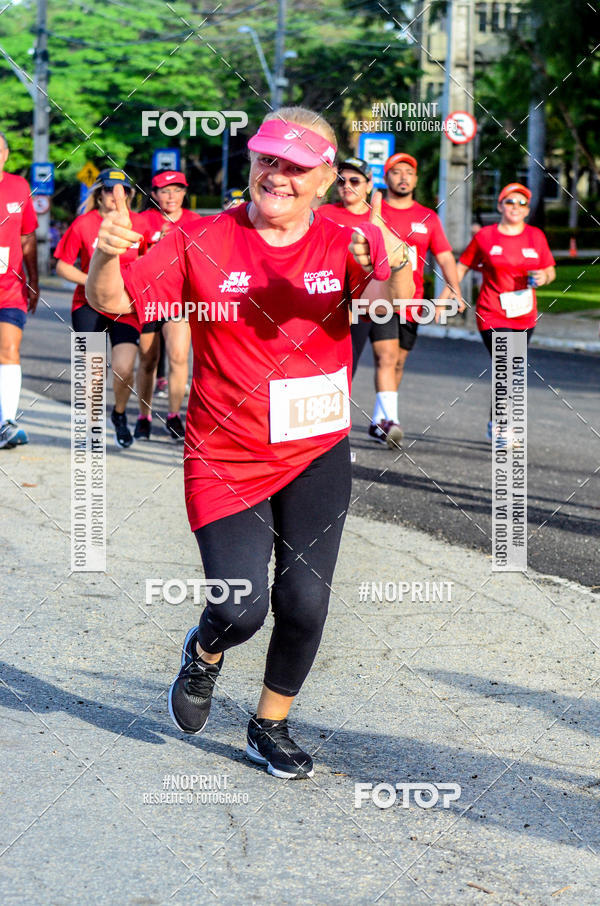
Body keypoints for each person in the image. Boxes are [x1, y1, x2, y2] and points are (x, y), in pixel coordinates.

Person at [86, 107, 413, 779]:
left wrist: (395, 259)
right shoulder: (202, 236)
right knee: (241, 606)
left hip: (316, 449)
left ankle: (270, 723)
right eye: (268, 160)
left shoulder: (345, 239)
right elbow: (116, 302)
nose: (278, 176)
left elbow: (390, 299)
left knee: (304, 603)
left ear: (325, 178)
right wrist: (104, 254)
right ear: (253, 164)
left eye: (296, 167)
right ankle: (206, 649)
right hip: (225, 452)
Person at [355, 152, 462, 449]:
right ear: (386, 178)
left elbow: (443, 256)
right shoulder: (376, 212)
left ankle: (380, 422)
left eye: (409, 172)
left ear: (415, 179)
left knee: (399, 362)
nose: (403, 177)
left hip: (413, 302)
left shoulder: (428, 216)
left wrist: (452, 290)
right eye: (396, 172)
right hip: (382, 297)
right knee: (386, 357)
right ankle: (391, 420)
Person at [438, 182, 555, 440]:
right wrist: (447, 295)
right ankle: (503, 425)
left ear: (527, 210)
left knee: (511, 368)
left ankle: (496, 421)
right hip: (492, 311)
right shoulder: (485, 236)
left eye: (522, 203)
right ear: (500, 205)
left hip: (524, 314)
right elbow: (462, 266)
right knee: (507, 363)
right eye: (510, 201)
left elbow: (550, 270)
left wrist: (542, 277)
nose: (516, 207)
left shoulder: (536, 236)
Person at [55, 168, 145, 448]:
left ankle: (118, 414)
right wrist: (94, 282)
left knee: (124, 367)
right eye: (108, 189)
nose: (115, 195)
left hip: (125, 306)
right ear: (99, 193)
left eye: (122, 190)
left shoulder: (140, 224)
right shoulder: (83, 223)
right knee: (93, 369)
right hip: (88, 304)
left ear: (129, 195)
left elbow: (149, 263)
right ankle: (91, 428)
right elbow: (61, 265)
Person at [135, 171, 202, 441]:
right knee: (148, 360)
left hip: (179, 301)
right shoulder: (141, 221)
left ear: (185, 193)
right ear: (154, 194)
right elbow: (131, 261)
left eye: (177, 190)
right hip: (149, 300)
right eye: (164, 191)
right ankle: (144, 416)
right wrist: (154, 248)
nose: (171, 196)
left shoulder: (196, 222)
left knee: (177, 357)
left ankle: (174, 415)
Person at [317, 157, 378, 376]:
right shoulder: (323, 214)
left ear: (369, 184)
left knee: (345, 368)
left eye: (355, 181)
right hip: (324, 300)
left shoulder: (378, 219)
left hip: (360, 303)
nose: (347, 186)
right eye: (341, 181)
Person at [0, 130, 39, 449]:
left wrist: (34, 279)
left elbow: (27, 239)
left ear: (6, 154)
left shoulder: (19, 187)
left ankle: (7, 423)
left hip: (10, 288)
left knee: (10, 349)